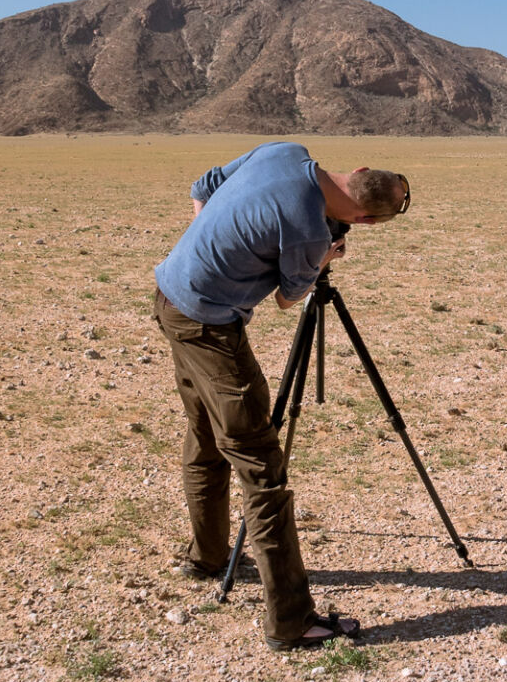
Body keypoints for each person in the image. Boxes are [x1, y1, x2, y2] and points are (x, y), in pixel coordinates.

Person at [152, 142, 410, 650]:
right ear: (363, 220)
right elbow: (288, 298)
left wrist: (205, 247)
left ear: (356, 168)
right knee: (262, 467)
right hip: (208, 327)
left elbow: (203, 186)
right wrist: (320, 261)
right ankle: (291, 621)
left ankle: (206, 557)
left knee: (206, 435)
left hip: (169, 294)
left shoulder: (284, 151)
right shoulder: (311, 233)